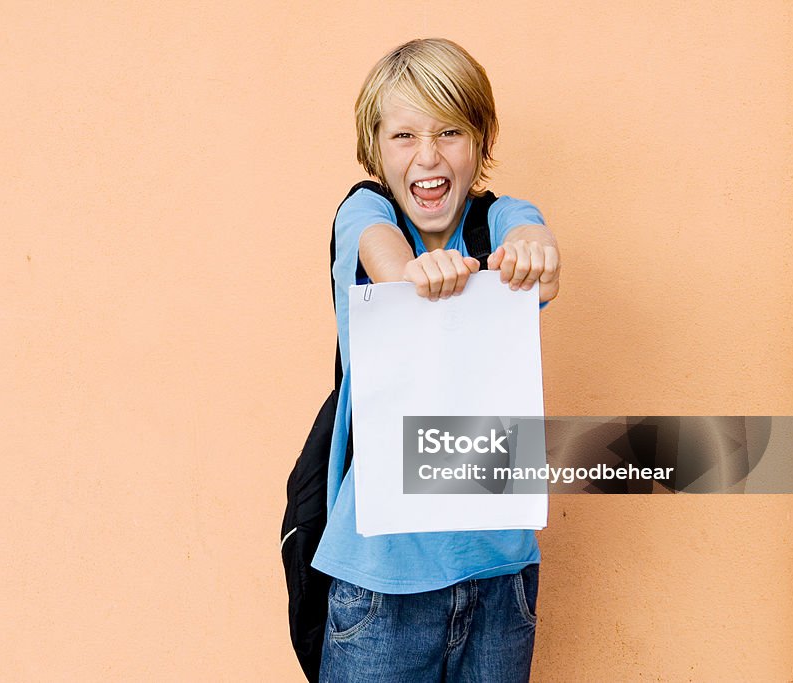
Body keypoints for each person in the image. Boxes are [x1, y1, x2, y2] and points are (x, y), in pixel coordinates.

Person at [310, 38, 561, 682]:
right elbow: (388, 265)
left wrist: (534, 253)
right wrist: (423, 269)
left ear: (481, 139)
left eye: (450, 131)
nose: (428, 156)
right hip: (381, 581)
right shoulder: (366, 211)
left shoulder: (501, 218)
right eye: (403, 135)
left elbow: (537, 246)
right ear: (377, 149)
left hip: (502, 577)